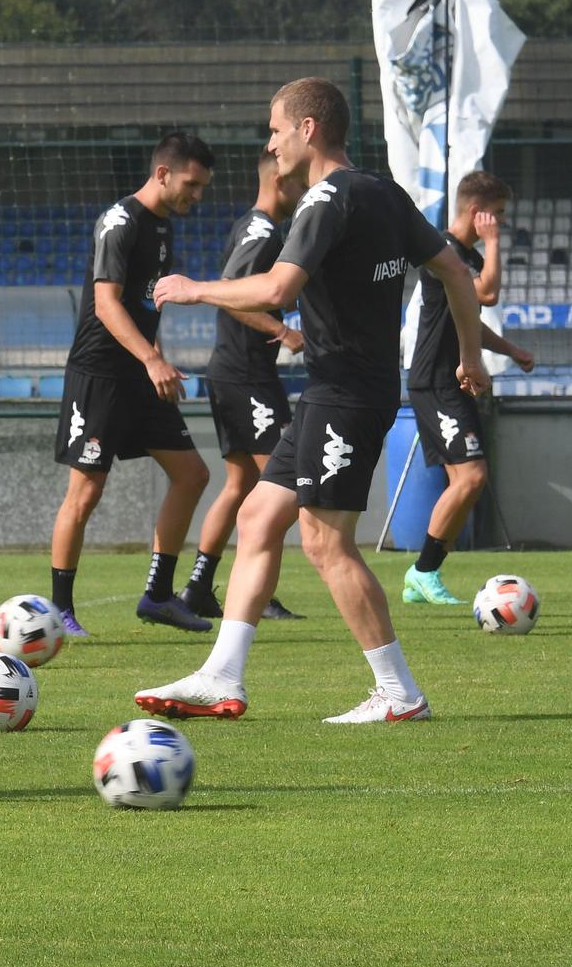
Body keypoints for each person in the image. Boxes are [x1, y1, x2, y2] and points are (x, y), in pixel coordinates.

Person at [135, 77, 490, 724]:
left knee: (326, 544)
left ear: (307, 129)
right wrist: (469, 353)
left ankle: (399, 692)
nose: (269, 145)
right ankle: (222, 672)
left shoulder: (326, 199)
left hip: (346, 394)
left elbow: (276, 286)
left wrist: (194, 289)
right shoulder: (383, 191)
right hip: (339, 389)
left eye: (274, 130)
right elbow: (455, 271)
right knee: (258, 518)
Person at [48, 132, 217, 639]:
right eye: (192, 184)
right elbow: (107, 303)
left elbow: (146, 306)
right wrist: (151, 358)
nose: (198, 195)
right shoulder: (119, 222)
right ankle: (59, 611)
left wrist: (155, 357)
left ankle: (158, 596)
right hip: (100, 375)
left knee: (192, 474)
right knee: (86, 490)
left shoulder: (163, 226)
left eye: (203, 187)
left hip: (142, 373)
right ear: (162, 173)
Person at [180, 148, 307, 623]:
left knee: (242, 484)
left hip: (238, 371)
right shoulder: (261, 231)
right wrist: (280, 331)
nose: (303, 189)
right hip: (246, 375)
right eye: (297, 181)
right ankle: (258, 592)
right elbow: (229, 293)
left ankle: (197, 586)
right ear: (279, 181)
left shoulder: (253, 226)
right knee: (283, 482)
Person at [400, 169, 536, 607]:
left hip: (452, 379)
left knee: (468, 479)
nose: (499, 223)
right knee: (471, 475)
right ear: (478, 214)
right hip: (437, 380)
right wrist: (494, 244)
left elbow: (469, 318)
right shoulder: (445, 253)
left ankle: (422, 576)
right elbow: (490, 294)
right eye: (495, 215)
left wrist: (510, 349)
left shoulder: (461, 256)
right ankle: (423, 570)